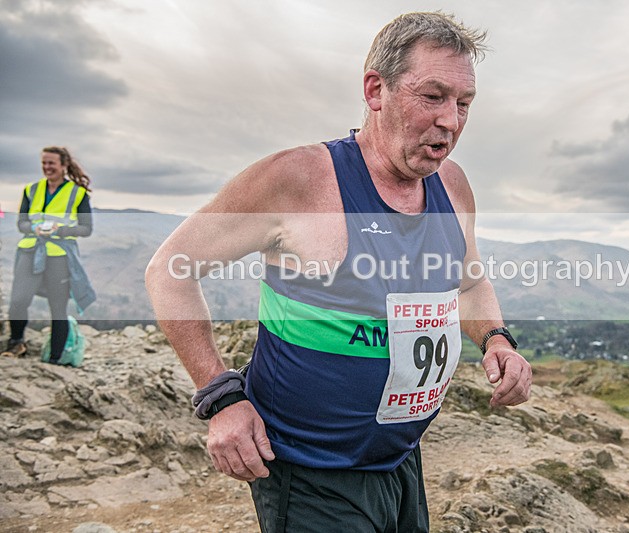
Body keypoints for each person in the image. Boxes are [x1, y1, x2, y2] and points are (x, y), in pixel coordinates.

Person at [146, 11, 532, 532]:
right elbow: (170, 270)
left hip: (400, 460)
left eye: (464, 103)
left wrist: (496, 340)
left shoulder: (453, 186)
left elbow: (468, 282)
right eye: (433, 96)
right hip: (310, 473)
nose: (451, 121)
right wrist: (220, 396)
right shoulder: (298, 180)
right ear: (376, 90)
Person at [2, 146, 94, 362]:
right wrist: (34, 228)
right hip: (30, 251)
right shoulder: (31, 190)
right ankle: (16, 343)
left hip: (59, 256)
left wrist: (59, 230)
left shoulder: (78, 193)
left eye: (51, 163)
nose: (46, 167)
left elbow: (86, 229)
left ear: (64, 165)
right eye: (44, 163)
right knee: (18, 301)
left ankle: (55, 357)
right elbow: (21, 223)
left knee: (57, 307)